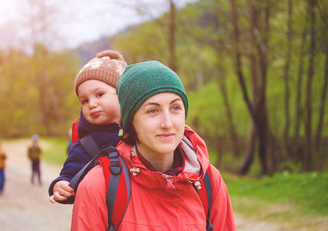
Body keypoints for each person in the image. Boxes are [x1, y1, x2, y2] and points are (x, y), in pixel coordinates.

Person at [71, 61, 236, 230]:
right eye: (153, 110)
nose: (167, 123)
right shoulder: (98, 185)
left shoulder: (208, 180)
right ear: (130, 122)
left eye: (175, 107)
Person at [49, 50, 127, 204]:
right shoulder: (86, 143)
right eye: (84, 100)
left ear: (123, 93)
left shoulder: (143, 130)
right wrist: (61, 184)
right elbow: (72, 172)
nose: (91, 104)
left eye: (99, 94)